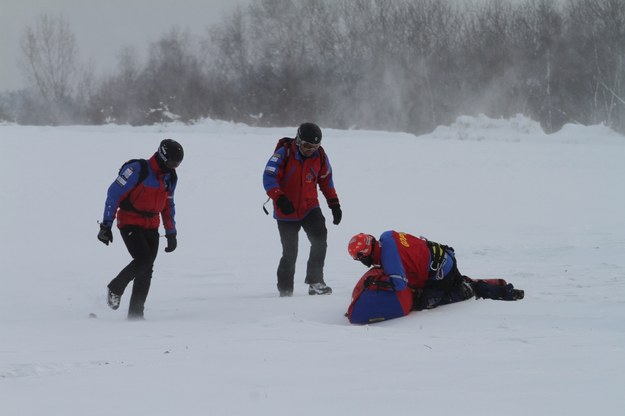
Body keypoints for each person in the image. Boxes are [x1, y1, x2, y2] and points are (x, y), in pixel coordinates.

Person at [97, 139, 184, 319]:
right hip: (130, 221)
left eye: (177, 164)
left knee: (147, 268)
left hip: (152, 225)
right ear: (162, 157)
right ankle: (115, 287)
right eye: (171, 163)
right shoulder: (137, 170)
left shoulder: (170, 177)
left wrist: (171, 232)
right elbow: (114, 194)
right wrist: (106, 225)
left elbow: (168, 206)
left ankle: (136, 314)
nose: (174, 167)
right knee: (143, 260)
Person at [347, 231, 524, 310]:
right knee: (453, 281)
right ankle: (471, 284)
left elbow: (399, 285)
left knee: (421, 302)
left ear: (365, 254)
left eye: (358, 258)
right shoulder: (387, 236)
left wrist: (379, 283)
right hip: (443, 256)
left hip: (440, 272)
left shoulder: (388, 259)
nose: (359, 262)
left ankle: (468, 290)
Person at [263, 122, 342, 297]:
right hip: (287, 210)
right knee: (290, 252)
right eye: (307, 146)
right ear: (298, 140)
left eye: (315, 146)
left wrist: (334, 204)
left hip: (309, 207)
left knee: (320, 239)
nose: (310, 150)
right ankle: (285, 290)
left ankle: (315, 282)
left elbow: (326, 181)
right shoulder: (283, 153)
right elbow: (269, 177)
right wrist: (280, 197)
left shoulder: (320, 156)